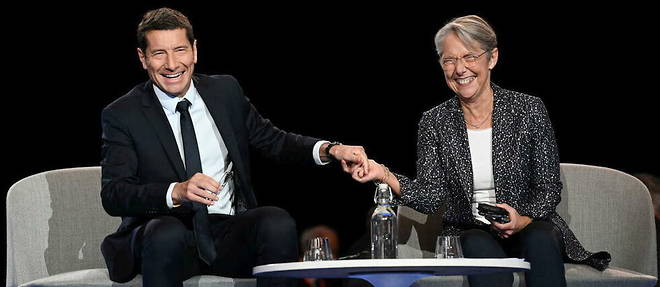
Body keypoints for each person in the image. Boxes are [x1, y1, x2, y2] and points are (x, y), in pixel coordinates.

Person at [100, 7, 370, 287]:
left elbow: (274, 141)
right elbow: (114, 194)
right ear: (143, 58)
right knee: (165, 233)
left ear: (194, 50)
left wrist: (330, 149)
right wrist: (176, 191)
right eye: (159, 54)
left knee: (275, 222)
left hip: (227, 232)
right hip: (165, 239)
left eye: (180, 50)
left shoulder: (224, 92)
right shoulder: (123, 114)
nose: (172, 64)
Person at [351, 15, 610, 287]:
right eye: (449, 60)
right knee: (478, 247)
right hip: (470, 229)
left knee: (542, 239)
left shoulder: (528, 110)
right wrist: (384, 175)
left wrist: (520, 219)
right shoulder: (435, 122)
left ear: (492, 58)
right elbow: (430, 196)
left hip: (529, 221)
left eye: (470, 57)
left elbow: (547, 187)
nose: (460, 69)